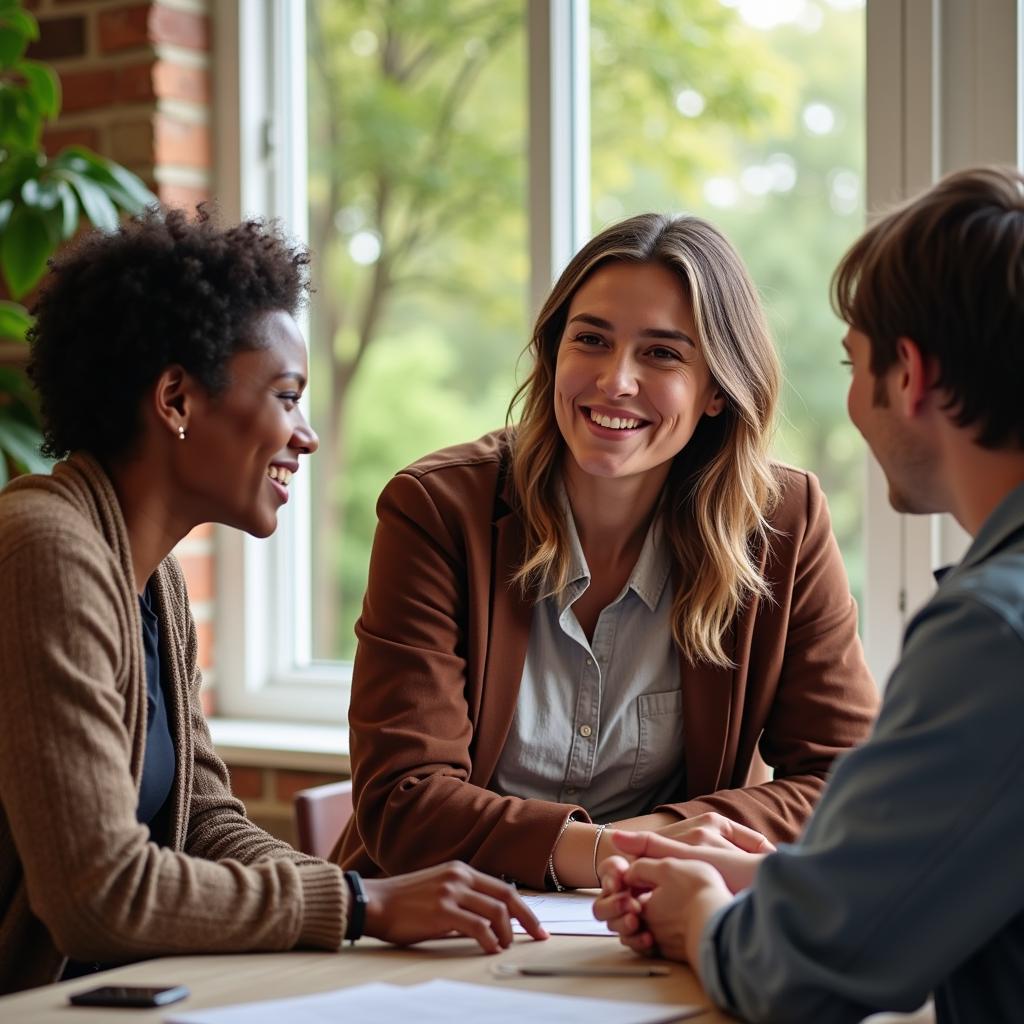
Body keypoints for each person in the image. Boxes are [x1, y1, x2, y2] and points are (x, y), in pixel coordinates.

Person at [0, 209, 545, 996]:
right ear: (177, 399)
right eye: (287, 397)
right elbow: (97, 894)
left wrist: (369, 915)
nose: (308, 435)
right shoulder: (44, 551)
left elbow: (207, 824)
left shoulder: (153, 579)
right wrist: (361, 904)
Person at [335, 212, 878, 891]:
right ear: (553, 353)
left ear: (716, 389)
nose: (615, 380)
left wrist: (644, 848)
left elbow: (844, 781)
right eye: (590, 339)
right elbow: (405, 800)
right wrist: (620, 851)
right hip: (433, 930)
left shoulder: (782, 526)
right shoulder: (438, 511)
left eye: (661, 353)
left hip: (654, 926)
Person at [595, 166, 1024, 1023]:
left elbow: (809, 973)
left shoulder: (992, 635)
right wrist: (757, 877)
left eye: (851, 361)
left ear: (908, 374)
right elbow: (952, 868)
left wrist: (699, 917)